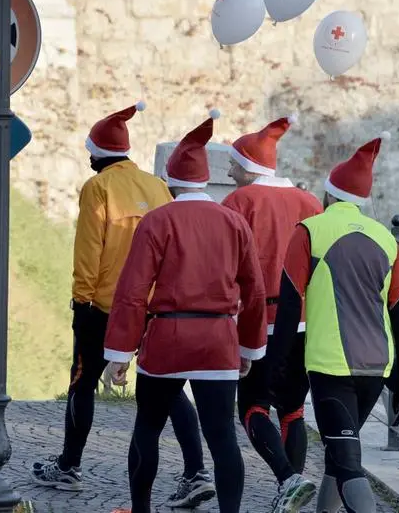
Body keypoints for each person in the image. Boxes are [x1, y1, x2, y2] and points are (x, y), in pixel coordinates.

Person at [31, 102, 216, 506]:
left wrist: (81, 300)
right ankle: (196, 471)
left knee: (82, 382)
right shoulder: (157, 186)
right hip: (155, 306)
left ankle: (69, 465)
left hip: (105, 306)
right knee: (170, 387)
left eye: (90, 151)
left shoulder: (96, 188)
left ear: (96, 153)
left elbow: (89, 252)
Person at [103, 110, 267, 513]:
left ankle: (141, 509)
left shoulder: (158, 221)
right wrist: (249, 348)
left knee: (148, 427)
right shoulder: (233, 222)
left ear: (171, 180)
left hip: (167, 337)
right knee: (222, 437)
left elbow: (132, 291)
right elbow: (255, 289)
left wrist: (119, 354)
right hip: (219, 339)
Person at [270, 135, 399, 513]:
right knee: (339, 458)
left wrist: (274, 367)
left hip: (330, 365)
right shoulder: (387, 240)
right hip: (376, 366)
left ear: (329, 196)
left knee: (349, 463)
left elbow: (289, 306)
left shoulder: (309, 231)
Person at [223, 114, 323, 512]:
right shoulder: (309, 200)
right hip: (304, 319)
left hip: (259, 322)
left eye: (232, 165)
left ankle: (289, 479)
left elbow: (227, 265)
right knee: (294, 408)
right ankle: (290, 494)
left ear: (248, 165)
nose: (229, 174)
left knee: (252, 406)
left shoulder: (239, 202)